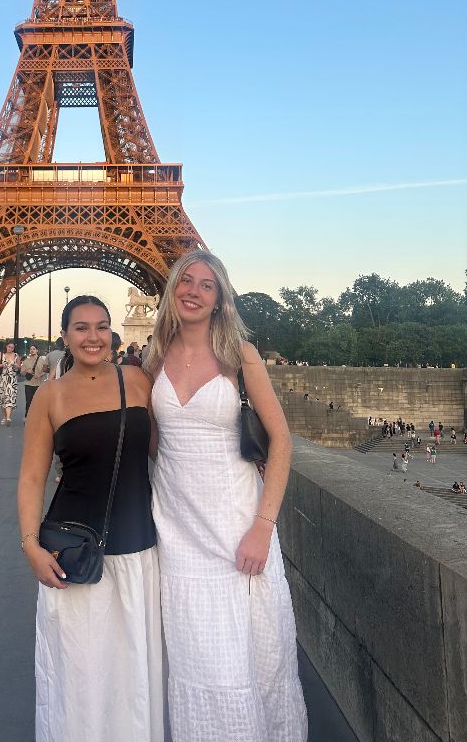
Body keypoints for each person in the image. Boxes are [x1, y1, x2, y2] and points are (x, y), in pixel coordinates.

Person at [146, 249, 307, 741]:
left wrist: (263, 527)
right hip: (177, 530)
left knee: (251, 657)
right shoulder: (154, 357)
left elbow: (281, 440)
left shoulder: (240, 355)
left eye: (206, 285)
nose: (193, 291)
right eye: (185, 280)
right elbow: (153, 444)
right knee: (197, 659)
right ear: (172, 289)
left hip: (237, 526)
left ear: (219, 299)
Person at [17, 296, 164, 742]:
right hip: (74, 556)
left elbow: (168, 453)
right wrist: (30, 545)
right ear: (65, 336)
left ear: (113, 333)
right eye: (81, 328)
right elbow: (32, 477)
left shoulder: (137, 381)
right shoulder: (50, 396)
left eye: (101, 326)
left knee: (132, 675)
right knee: (80, 675)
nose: (93, 337)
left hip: (136, 549)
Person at [0, 341, 21, 426]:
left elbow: (19, 367)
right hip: (2, 379)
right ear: (6, 346)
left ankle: (8, 418)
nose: (10, 349)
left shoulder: (16, 356)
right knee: (3, 399)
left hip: (12, 380)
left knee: (10, 398)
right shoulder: (1, 354)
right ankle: (4, 417)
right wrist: (1, 365)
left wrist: (16, 366)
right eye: (9, 347)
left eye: (12, 347)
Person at [21, 344, 47, 418]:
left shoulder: (42, 360)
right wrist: (27, 371)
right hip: (28, 384)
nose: (32, 350)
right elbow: (22, 373)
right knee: (28, 402)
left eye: (34, 349)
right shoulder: (26, 361)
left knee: (38, 402)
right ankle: (27, 417)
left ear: (37, 350)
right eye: (31, 349)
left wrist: (40, 375)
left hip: (39, 384)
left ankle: (37, 417)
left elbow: (46, 371)